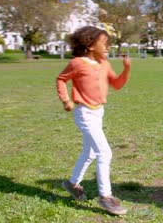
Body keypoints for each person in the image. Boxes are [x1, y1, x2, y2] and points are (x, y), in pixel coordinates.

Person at [56, 26, 131, 216]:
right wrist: (66, 100)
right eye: (105, 44)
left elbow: (116, 84)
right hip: (85, 114)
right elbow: (61, 79)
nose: (108, 47)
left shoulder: (104, 63)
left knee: (90, 153)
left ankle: (72, 184)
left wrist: (126, 69)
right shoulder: (77, 63)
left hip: (99, 113)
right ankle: (106, 196)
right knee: (104, 153)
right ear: (90, 45)